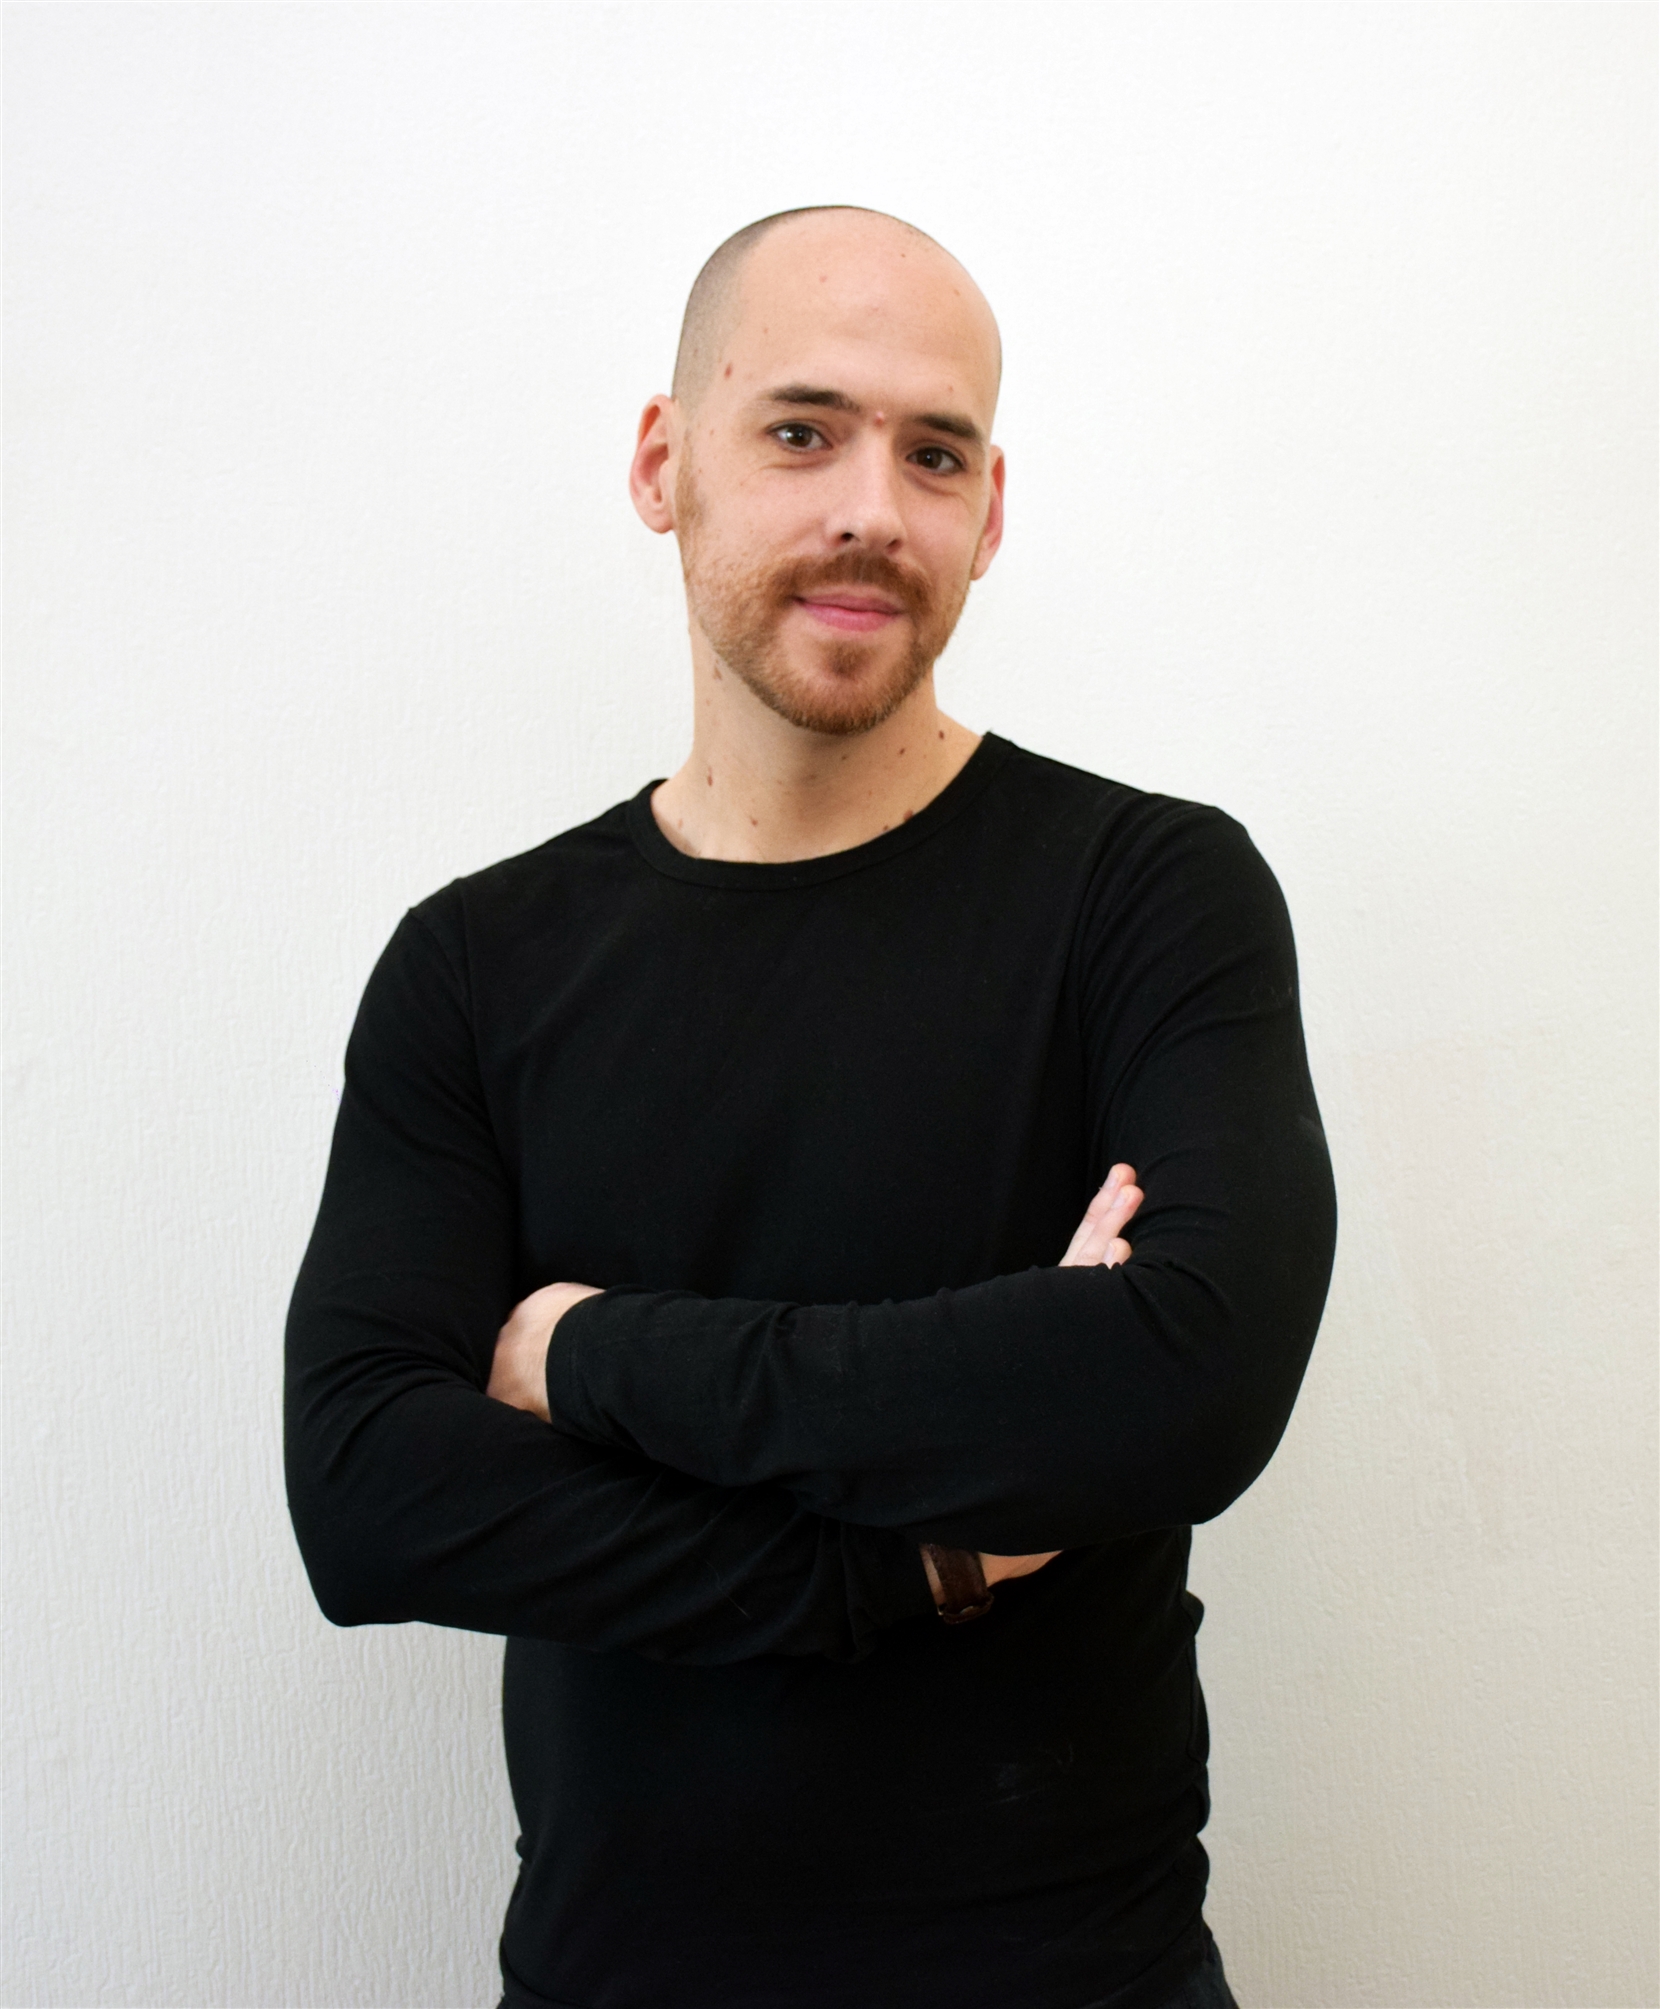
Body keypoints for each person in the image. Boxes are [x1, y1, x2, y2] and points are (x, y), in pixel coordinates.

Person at [285, 205, 1336, 2009]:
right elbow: (373, 1497)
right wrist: (917, 1561)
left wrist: (591, 1354)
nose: (871, 503)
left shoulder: (1150, 893)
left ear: (989, 513)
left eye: (934, 452)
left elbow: (1193, 1375)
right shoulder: (475, 966)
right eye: (801, 429)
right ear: (662, 461)